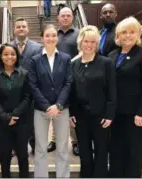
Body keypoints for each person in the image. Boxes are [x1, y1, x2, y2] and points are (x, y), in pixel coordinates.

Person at [109, 16, 142, 178]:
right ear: (118, 35)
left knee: (133, 151)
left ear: (138, 34)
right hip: (115, 113)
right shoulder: (112, 55)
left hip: (134, 114)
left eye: (132, 32)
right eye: (124, 32)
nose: (127, 35)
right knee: (116, 149)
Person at [69, 25, 116, 178]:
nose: (88, 45)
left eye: (92, 42)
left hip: (101, 116)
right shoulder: (73, 64)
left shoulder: (106, 63)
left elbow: (112, 90)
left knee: (101, 152)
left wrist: (109, 114)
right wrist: (71, 113)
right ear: (80, 43)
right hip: (80, 117)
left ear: (97, 44)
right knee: (84, 152)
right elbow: (72, 92)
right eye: (85, 41)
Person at [28, 24, 71, 178]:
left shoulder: (65, 59)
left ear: (57, 38)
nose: (51, 38)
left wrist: (58, 104)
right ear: (42, 38)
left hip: (62, 108)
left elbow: (68, 83)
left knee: (62, 147)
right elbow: (33, 85)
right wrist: (47, 106)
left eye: (53, 35)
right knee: (40, 147)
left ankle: (63, 176)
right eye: (47, 35)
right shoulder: (35, 60)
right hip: (41, 109)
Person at [0, 44, 31, 178]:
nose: (9, 57)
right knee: (4, 155)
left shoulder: (24, 74)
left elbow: (27, 97)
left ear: (17, 56)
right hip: (3, 123)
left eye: (13, 54)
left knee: (22, 155)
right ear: (1, 57)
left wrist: (15, 114)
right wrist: (5, 117)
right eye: (6, 54)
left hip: (22, 122)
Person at [50, 6, 80, 155]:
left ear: (72, 17)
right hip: (57, 79)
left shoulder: (79, 34)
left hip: (75, 79)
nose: (66, 18)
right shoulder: (54, 35)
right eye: (63, 15)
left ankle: (75, 141)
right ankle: (54, 140)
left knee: (73, 110)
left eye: (68, 15)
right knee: (57, 109)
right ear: (58, 18)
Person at [11, 17, 42, 154]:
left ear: (28, 29)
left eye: (24, 26)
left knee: (34, 122)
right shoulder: (8, 46)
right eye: (18, 27)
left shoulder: (37, 47)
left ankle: (35, 146)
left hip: (32, 91)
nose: (21, 29)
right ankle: (16, 147)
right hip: (13, 91)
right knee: (15, 119)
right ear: (14, 30)